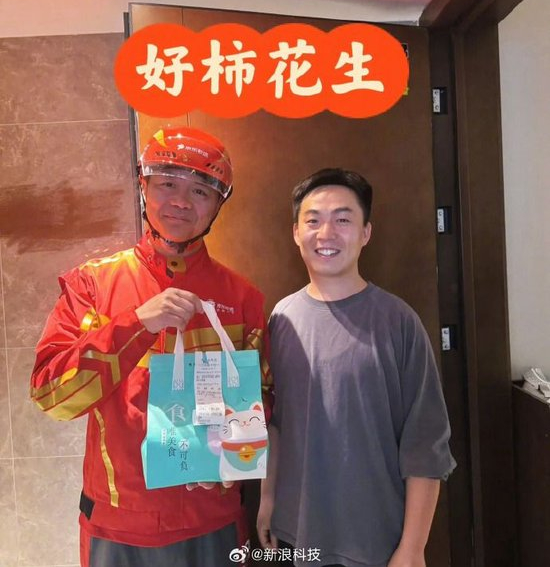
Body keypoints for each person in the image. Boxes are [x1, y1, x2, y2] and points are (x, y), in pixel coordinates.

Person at [30, 127, 270, 567]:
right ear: (143, 185)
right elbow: (52, 396)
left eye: (200, 191)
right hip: (118, 526)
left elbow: (262, 401)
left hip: (212, 519)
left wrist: (227, 451)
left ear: (218, 204)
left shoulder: (243, 299)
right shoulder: (92, 286)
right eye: (168, 184)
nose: (181, 201)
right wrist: (136, 323)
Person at [257, 168, 455, 567]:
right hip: (295, 534)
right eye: (313, 220)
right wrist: (268, 500)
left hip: (377, 541)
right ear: (296, 232)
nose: (326, 233)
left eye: (343, 220)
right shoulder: (281, 319)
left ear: (366, 233)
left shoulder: (399, 322)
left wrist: (413, 548)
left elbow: (425, 445)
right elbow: (275, 422)